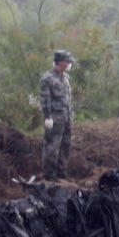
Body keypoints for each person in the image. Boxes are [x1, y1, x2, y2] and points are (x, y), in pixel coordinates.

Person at [39, 50, 74, 180]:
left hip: (66, 118)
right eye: (67, 61)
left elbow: (68, 99)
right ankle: (50, 174)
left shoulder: (65, 78)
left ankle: (61, 172)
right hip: (54, 119)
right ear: (60, 62)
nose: (69, 64)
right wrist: (47, 117)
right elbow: (45, 99)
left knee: (65, 146)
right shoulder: (48, 78)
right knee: (52, 147)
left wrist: (70, 117)